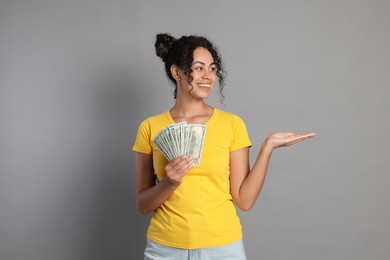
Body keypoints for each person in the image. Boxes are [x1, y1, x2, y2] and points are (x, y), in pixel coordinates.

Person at [132, 33, 316, 260]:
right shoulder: (150, 127)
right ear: (176, 72)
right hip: (165, 249)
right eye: (198, 68)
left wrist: (267, 148)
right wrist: (170, 183)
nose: (208, 76)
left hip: (222, 248)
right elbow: (143, 204)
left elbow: (244, 200)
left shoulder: (232, 125)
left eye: (212, 68)